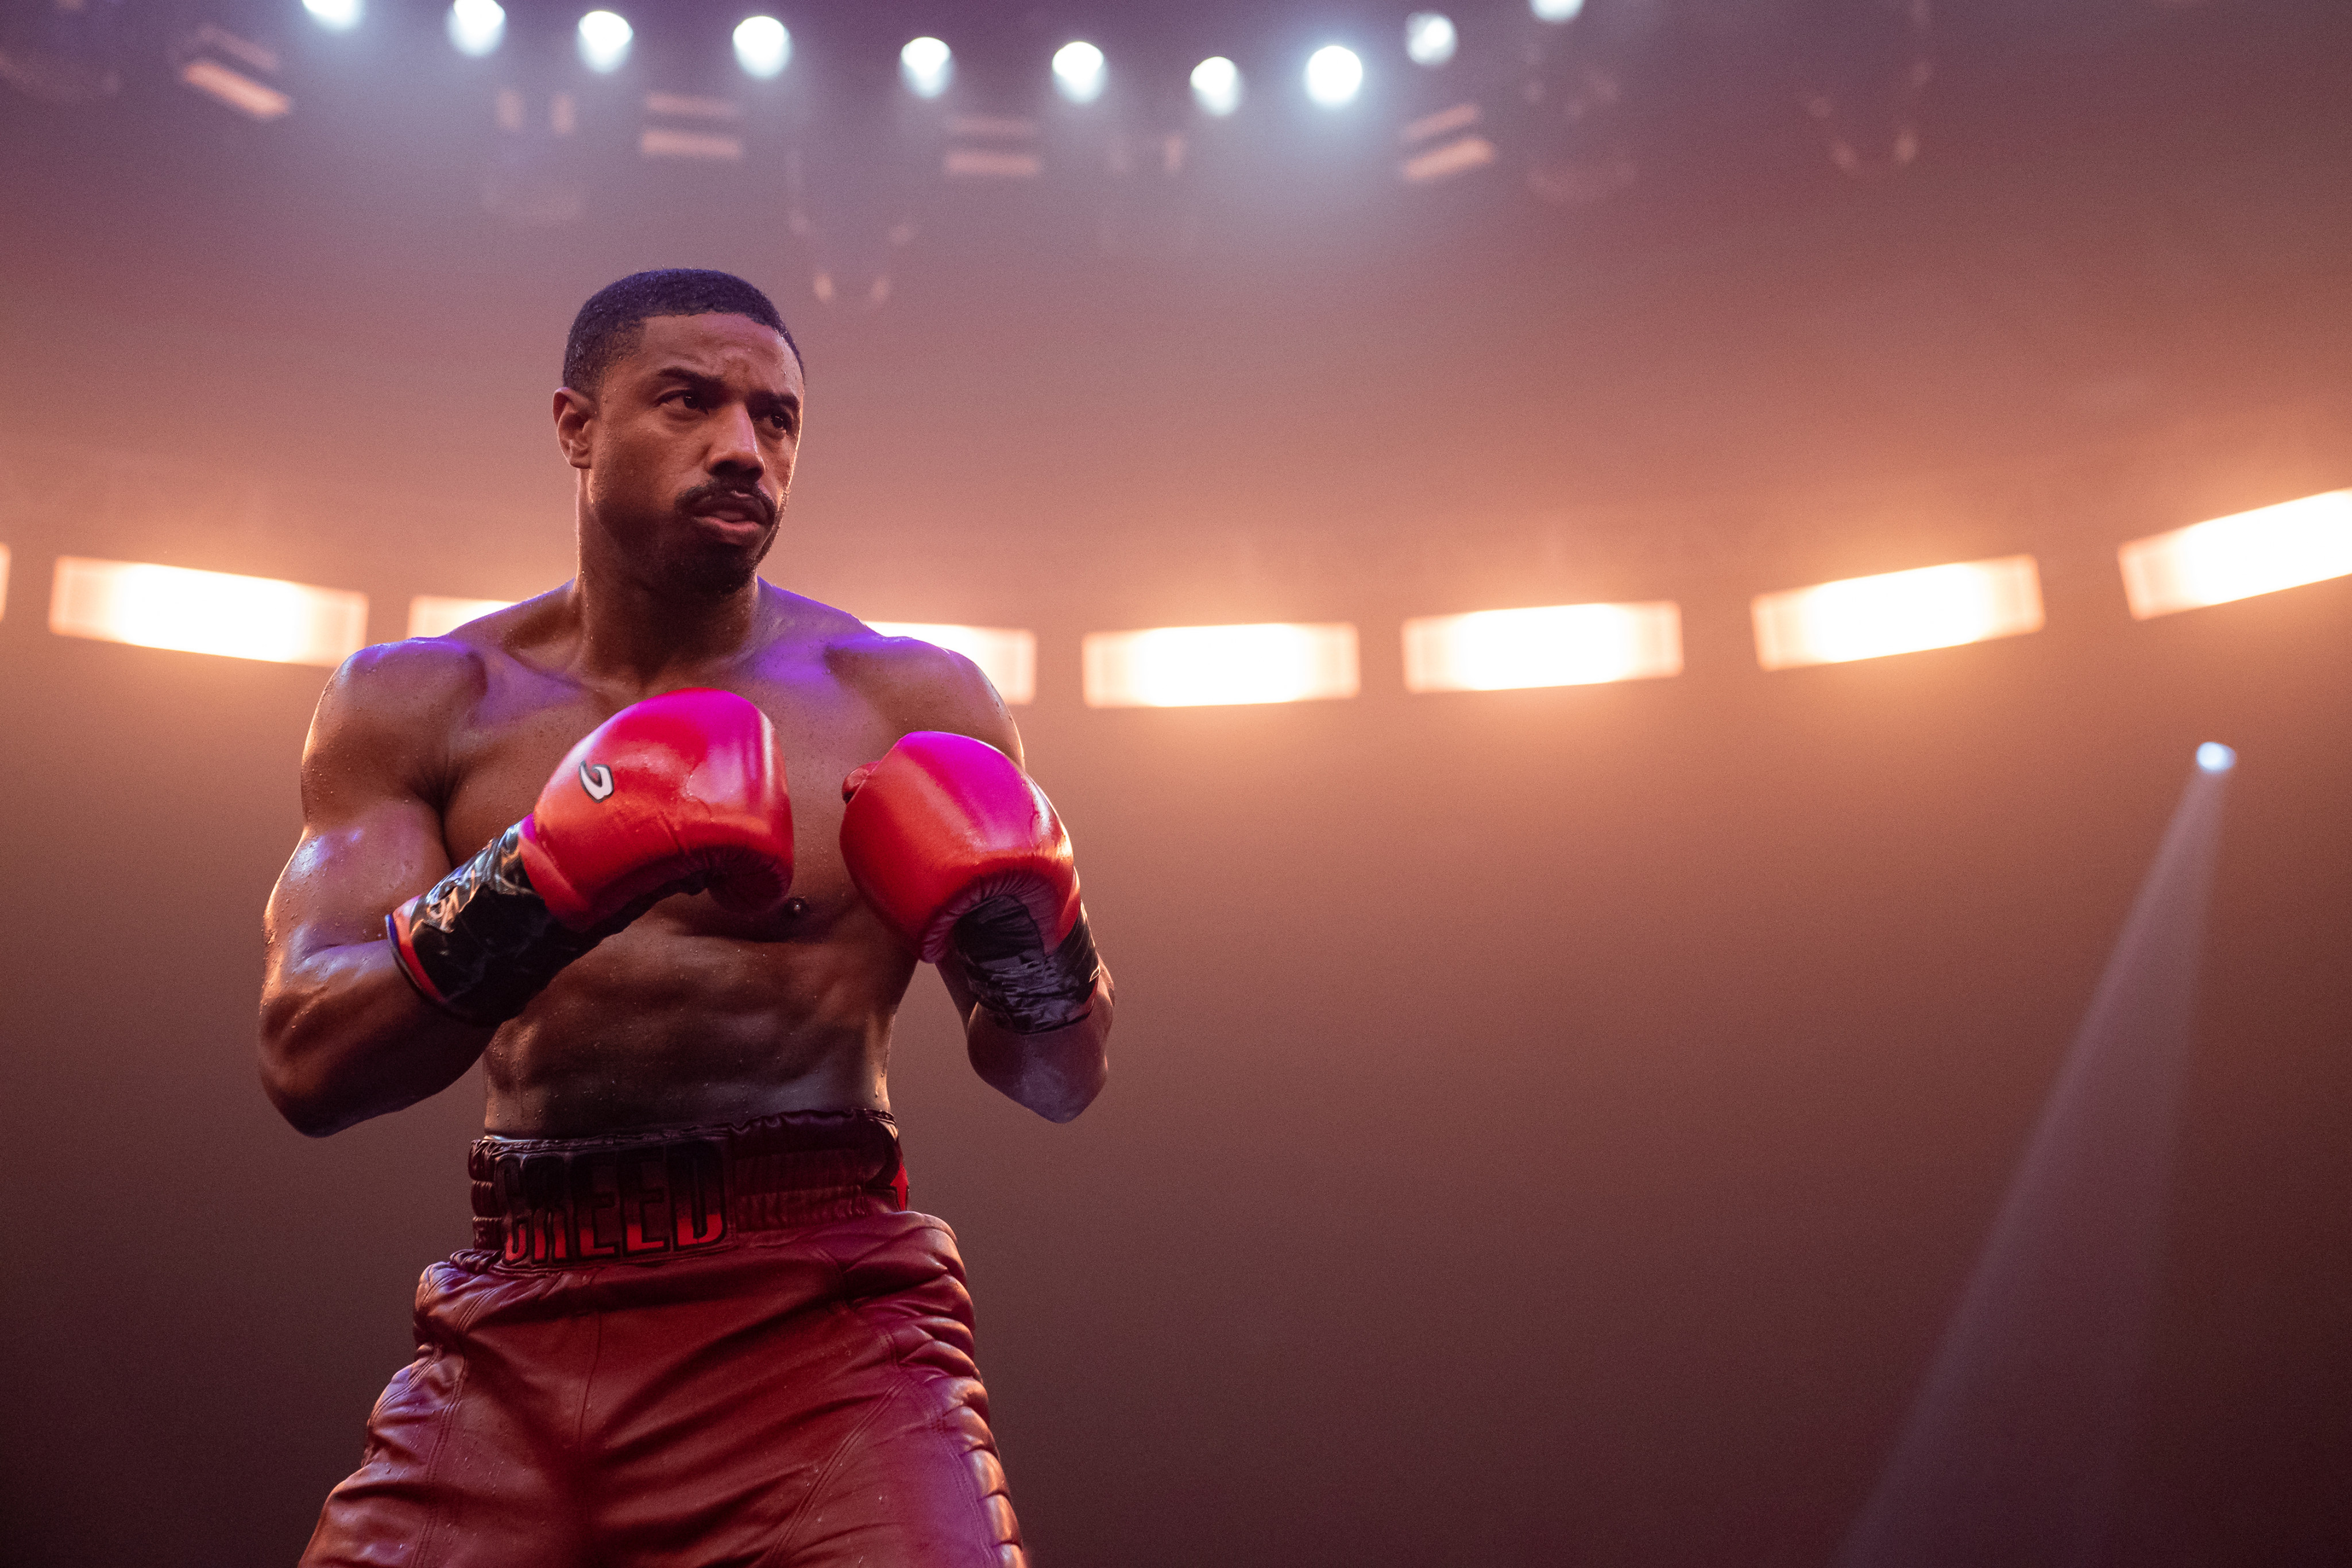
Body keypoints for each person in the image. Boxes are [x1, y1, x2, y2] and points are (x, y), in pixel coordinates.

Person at [258, 268, 1113, 1567]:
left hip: (824, 1327)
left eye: (775, 420)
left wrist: (1033, 950)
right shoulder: (417, 703)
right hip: (514, 1330)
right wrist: (546, 878)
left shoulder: (907, 699)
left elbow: (1058, 1083)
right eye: (688, 401)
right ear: (574, 426)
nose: (742, 448)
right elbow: (308, 1062)